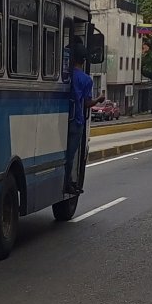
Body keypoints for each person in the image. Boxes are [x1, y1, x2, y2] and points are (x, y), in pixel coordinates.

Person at [64, 43, 105, 194]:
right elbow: (87, 103)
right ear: (83, 60)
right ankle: (67, 182)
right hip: (76, 121)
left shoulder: (65, 75)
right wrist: (99, 99)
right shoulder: (86, 80)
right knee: (70, 155)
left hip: (61, 118)